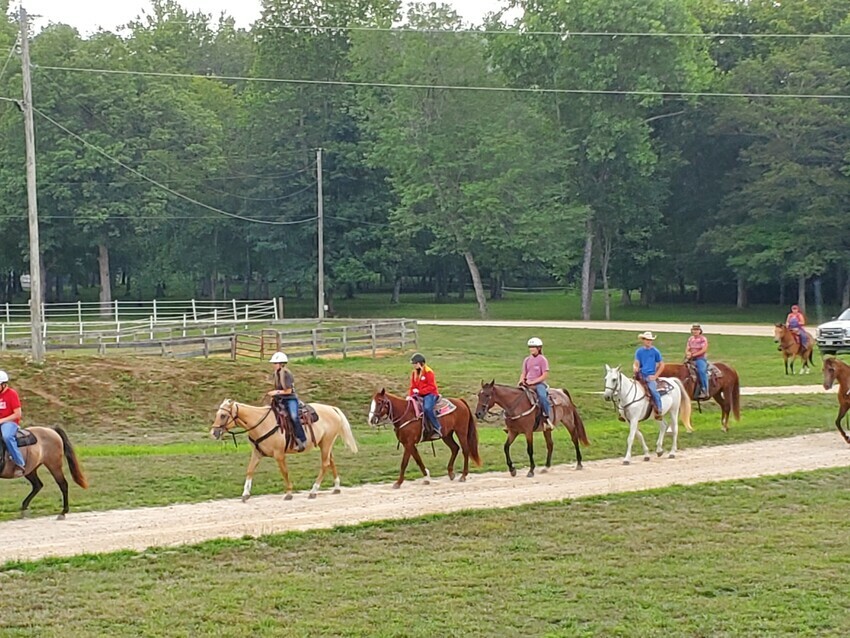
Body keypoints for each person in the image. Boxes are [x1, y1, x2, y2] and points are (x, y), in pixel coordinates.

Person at [267, 352, 306, 452]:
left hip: (290, 399)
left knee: (294, 416)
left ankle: (302, 439)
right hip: (281, 399)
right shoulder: (276, 374)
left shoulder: (287, 374)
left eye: (275, 363)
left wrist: (276, 392)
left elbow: (288, 391)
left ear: (281, 364)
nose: (273, 365)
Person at [519, 337, 554, 431]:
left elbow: (545, 375)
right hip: (527, 383)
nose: (531, 349)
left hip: (539, 384)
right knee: (515, 396)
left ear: (539, 348)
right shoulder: (527, 360)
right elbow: (524, 372)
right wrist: (521, 380)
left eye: (533, 347)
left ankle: (547, 418)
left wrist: (533, 382)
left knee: (542, 397)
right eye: (530, 347)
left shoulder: (542, 360)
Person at [408, 353, 442, 440]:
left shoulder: (429, 372)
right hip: (419, 394)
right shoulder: (414, 373)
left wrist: (420, 391)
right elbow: (412, 386)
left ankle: (437, 427)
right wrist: (410, 395)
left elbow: (432, 387)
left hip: (430, 394)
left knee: (427, 408)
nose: (414, 365)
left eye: (415, 363)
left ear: (420, 363)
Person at [0, 370, 26, 477]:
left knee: (7, 436)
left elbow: (17, 414)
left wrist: (2, 420)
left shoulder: (12, 394)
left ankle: (19, 463)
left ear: (3, 384)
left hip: (10, 423)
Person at [633, 331, 665, 420]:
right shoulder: (639, 351)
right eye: (647, 340)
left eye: (650, 340)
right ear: (643, 340)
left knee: (653, 391)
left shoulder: (655, 351)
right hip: (641, 375)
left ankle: (659, 409)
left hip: (650, 375)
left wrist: (655, 376)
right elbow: (636, 363)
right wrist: (635, 368)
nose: (648, 341)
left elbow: (661, 364)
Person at [685, 324, 710, 400]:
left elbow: (704, 349)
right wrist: (688, 354)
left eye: (697, 330)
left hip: (700, 358)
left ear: (700, 331)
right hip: (691, 358)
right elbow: (687, 348)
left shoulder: (703, 339)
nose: (695, 331)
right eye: (694, 330)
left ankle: (705, 389)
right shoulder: (690, 339)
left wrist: (694, 355)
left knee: (701, 371)